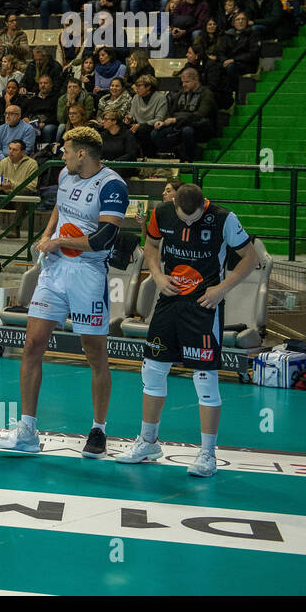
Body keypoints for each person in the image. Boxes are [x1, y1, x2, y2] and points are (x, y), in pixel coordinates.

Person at [0, 126, 128, 456]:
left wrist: (61, 241)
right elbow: (60, 208)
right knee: (32, 344)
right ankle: (27, 430)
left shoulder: (112, 185)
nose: (62, 155)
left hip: (87, 273)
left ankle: (99, 429)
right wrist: (47, 235)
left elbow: (104, 238)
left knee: (94, 353)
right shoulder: (66, 178)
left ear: (82, 153)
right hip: (54, 272)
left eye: (66, 150)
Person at [118, 184, 259, 477]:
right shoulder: (162, 213)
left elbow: (251, 257)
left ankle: (207, 455)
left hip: (205, 305)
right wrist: (156, 275)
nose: (188, 224)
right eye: (183, 218)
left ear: (202, 206)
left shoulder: (224, 218)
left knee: (205, 379)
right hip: (169, 300)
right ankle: (148, 442)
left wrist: (222, 288)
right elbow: (152, 245)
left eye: (194, 219)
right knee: (153, 370)